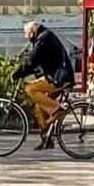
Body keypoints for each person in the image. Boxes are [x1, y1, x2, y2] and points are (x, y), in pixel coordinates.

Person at [14, 19, 75, 149]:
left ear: (32, 31)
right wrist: (23, 70)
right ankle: (47, 139)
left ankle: (56, 109)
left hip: (60, 78)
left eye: (26, 34)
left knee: (30, 89)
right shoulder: (43, 37)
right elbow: (38, 62)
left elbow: (33, 61)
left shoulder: (43, 39)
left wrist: (18, 73)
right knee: (38, 107)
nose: (26, 37)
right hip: (54, 76)